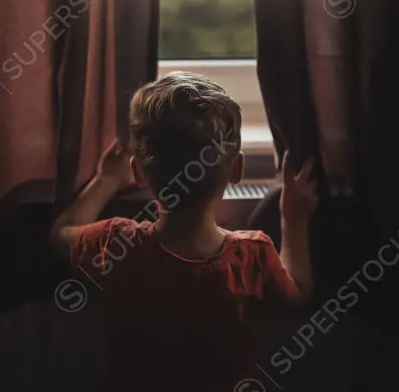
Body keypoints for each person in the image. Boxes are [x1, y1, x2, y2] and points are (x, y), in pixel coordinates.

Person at [48, 71, 319, 392]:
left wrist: (105, 181)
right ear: (237, 170)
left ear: (138, 172)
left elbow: (60, 234)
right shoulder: (251, 257)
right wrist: (294, 218)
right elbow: (298, 291)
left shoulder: (116, 244)